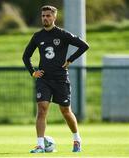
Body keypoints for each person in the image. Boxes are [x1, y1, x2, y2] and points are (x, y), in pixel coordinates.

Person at [22, 5, 89, 153]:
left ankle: (77, 139)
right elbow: (26, 56)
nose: (45, 18)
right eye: (43, 16)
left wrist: (70, 60)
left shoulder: (62, 34)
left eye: (48, 16)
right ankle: (40, 144)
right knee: (42, 109)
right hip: (44, 79)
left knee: (65, 111)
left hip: (60, 79)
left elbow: (84, 46)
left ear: (54, 17)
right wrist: (33, 72)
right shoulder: (37, 36)